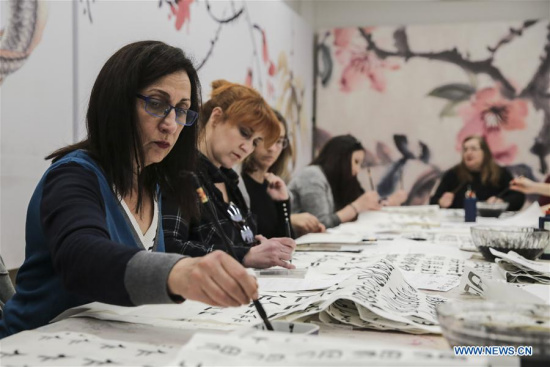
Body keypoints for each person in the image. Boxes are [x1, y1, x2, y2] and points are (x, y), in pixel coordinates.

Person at [0, 41, 258, 338]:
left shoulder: (154, 182)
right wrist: (179, 272)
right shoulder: (72, 175)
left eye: (182, 110)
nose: (171, 125)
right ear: (118, 102)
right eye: (158, 104)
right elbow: (81, 259)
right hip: (36, 347)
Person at [162, 80, 296, 269]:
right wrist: (245, 255)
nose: (247, 147)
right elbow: (169, 249)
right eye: (244, 133)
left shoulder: (230, 181)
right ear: (216, 118)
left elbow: (236, 245)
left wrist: (258, 247)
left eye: (255, 142)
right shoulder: (183, 173)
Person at [240, 109, 325, 238]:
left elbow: (285, 239)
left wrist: (284, 205)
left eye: (279, 141)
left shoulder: (274, 185)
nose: (272, 148)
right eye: (267, 139)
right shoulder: (239, 185)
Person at [289, 135, 399, 229]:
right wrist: (357, 206)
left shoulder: (341, 180)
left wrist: (379, 203)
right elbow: (320, 223)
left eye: (360, 164)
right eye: (356, 162)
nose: (358, 170)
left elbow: (357, 202)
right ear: (340, 159)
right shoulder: (312, 175)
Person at [430, 135, 525, 210]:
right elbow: (433, 201)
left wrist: (502, 201)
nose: (468, 153)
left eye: (473, 149)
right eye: (465, 149)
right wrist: (440, 202)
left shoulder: (499, 172)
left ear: (485, 153)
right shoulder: (453, 174)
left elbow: (518, 197)